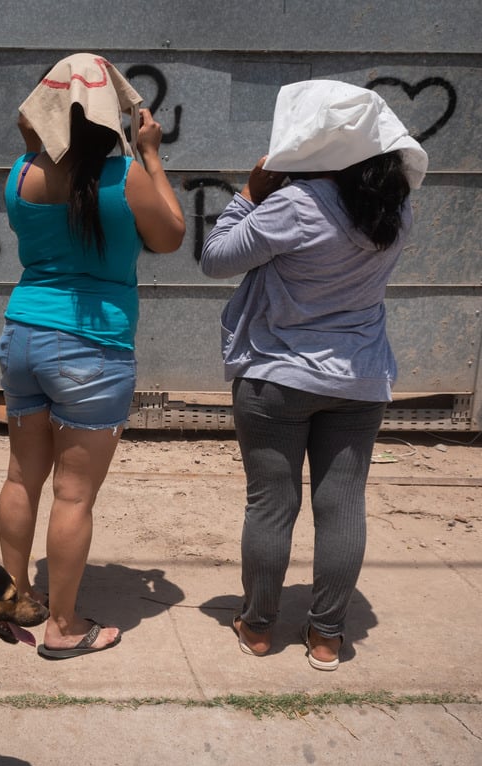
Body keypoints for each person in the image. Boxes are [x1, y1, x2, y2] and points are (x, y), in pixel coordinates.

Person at [199, 80, 428, 670]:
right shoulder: (394, 209)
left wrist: (249, 195)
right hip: (359, 380)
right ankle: (327, 636)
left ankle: (257, 627)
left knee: (271, 506)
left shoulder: (294, 205)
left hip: (276, 379)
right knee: (343, 506)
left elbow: (215, 259)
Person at [0, 53, 185, 659]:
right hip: (92, 350)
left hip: (23, 336)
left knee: (21, 476)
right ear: (112, 122)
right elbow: (172, 235)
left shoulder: (20, 175)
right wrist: (150, 154)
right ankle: (62, 627)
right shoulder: (125, 178)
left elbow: (44, 146)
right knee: (73, 496)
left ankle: (15, 601)